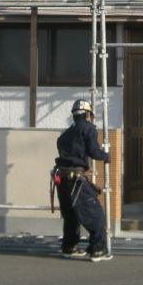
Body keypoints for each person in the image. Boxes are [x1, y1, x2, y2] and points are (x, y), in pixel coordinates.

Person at [52, 99, 112, 261]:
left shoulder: (65, 134)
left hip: (61, 179)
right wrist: (105, 156)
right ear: (88, 115)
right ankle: (97, 250)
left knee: (71, 216)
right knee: (95, 215)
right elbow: (94, 152)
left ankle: (69, 247)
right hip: (75, 179)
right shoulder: (88, 128)